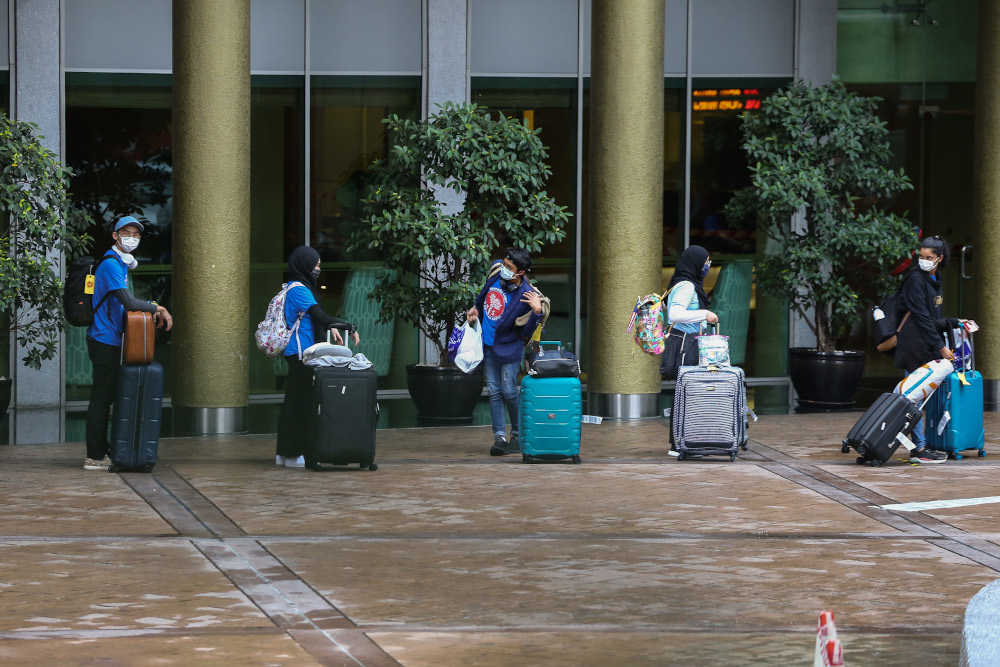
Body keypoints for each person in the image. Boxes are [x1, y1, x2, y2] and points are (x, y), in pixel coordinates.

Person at [85, 216, 173, 470]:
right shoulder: (112, 265)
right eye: (127, 232)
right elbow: (130, 303)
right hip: (103, 339)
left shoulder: (121, 264)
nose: (132, 238)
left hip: (111, 338)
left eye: (136, 234)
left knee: (107, 396)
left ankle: (104, 451)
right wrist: (159, 307)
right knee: (101, 398)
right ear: (115, 235)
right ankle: (95, 456)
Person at [275, 245, 359, 468]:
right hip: (301, 354)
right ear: (305, 264)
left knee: (293, 401)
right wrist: (348, 326)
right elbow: (319, 316)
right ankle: (293, 454)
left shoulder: (296, 287)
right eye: (316, 264)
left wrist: (331, 327)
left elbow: (313, 317)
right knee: (301, 403)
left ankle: (285, 454)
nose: (318, 268)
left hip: (297, 353)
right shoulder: (299, 290)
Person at [893, 235, 963, 464]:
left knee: (921, 397)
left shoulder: (935, 278)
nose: (923, 260)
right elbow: (923, 319)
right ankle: (919, 448)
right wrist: (941, 347)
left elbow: (934, 317)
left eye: (929, 257)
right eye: (921, 256)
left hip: (926, 343)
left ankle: (923, 444)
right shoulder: (915, 279)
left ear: (939, 258)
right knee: (912, 398)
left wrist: (953, 322)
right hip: (914, 344)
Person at [466, 248, 543, 456]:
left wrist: (537, 312)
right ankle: (499, 437)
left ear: (520, 273)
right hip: (488, 345)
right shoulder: (497, 272)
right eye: (505, 264)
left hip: (509, 348)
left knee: (509, 391)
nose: (504, 269)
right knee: (494, 391)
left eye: (510, 267)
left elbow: (525, 332)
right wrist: (476, 308)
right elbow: (484, 293)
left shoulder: (526, 295)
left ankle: (518, 436)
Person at [660, 245, 719, 378]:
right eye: (705, 262)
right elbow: (674, 314)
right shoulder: (686, 286)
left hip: (688, 344)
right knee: (690, 389)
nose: (707, 266)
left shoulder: (683, 283)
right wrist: (705, 314)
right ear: (695, 262)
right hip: (686, 346)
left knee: (688, 390)